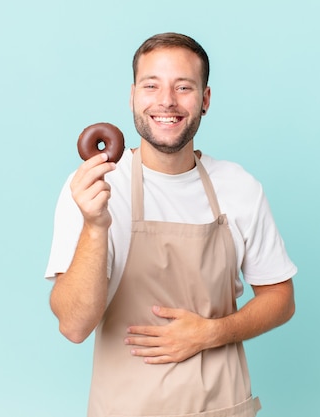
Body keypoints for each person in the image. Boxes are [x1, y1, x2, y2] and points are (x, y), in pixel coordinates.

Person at [45, 32, 297, 417]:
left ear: (205, 100)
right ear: (133, 96)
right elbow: (74, 326)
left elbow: (281, 299)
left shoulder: (239, 187)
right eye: (152, 85)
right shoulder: (94, 188)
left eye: (183, 87)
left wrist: (210, 333)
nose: (166, 101)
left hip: (222, 406)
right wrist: (95, 226)